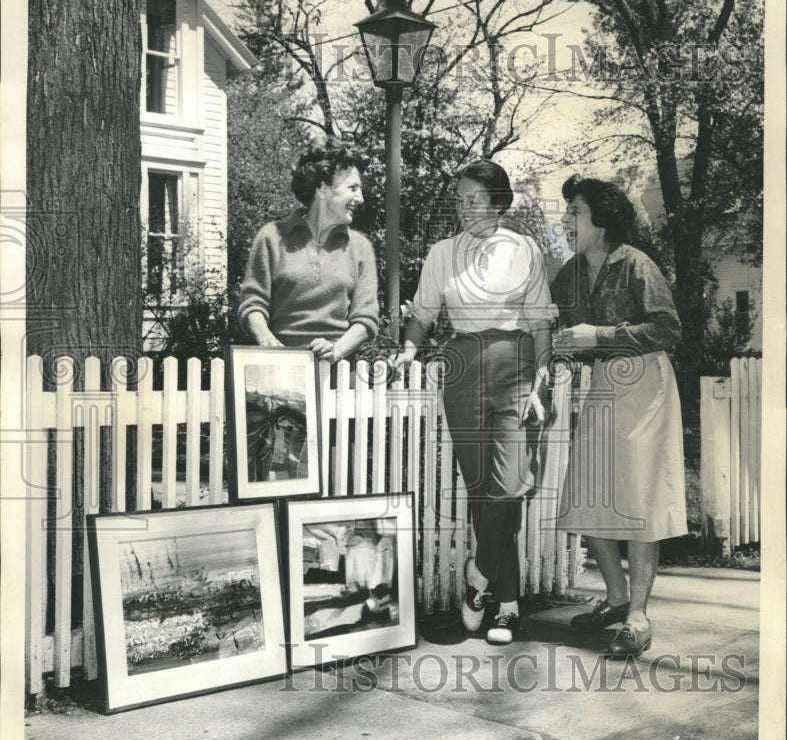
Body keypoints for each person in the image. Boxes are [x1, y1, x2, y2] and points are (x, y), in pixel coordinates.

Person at [393, 159, 554, 645]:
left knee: (509, 485)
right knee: (481, 487)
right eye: (459, 200)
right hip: (462, 366)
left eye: (474, 200)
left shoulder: (525, 249)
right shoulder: (443, 253)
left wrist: (542, 380)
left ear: (499, 203)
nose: (463, 209)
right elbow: (422, 312)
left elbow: (542, 320)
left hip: (516, 362)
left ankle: (478, 576)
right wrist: (407, 349)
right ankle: (506, 607)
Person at [551, 175, 687, 659]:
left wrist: (600, 335)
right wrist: (560, 359)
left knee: (639, 498)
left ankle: (638, 615)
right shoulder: (567, 274)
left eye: (576, 212)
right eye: (567, 212)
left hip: (645, 384)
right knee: (590, 491)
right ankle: (615, 598)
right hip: (602, 386)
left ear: (602, 220)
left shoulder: (636, 264)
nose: (567, 220)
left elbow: (667, 328)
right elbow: (566, 338)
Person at [237, 138, 379, 363]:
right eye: (353, 188)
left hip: (338, 375)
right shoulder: (271, 237)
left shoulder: (361, 248)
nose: (360, 198)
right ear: (323, 188)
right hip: (280, 367)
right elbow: (252, 304)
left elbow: (366, 320)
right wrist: (267, 341)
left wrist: (336, 350)